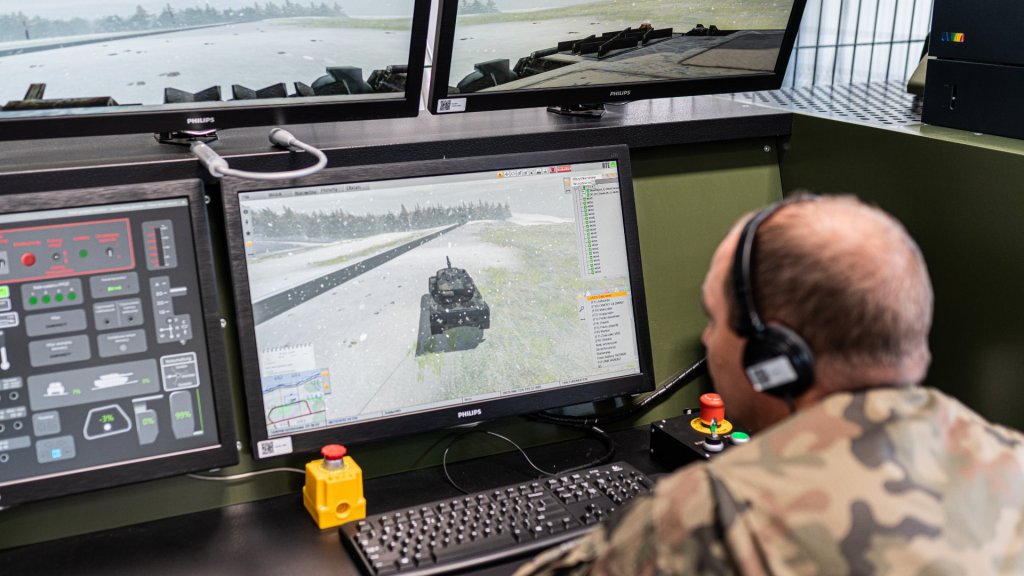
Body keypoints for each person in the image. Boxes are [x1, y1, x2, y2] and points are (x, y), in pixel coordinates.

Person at [515, 194, 1024, 575]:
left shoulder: (708, 516)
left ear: (774, 356)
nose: (709, 340)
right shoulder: (1013, 461)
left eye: (713, 319)